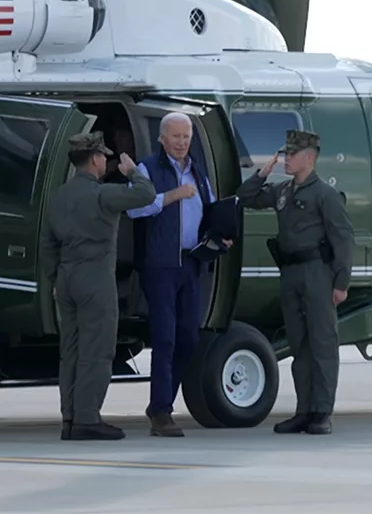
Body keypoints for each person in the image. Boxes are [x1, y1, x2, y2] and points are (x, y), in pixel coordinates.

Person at [39, 131, 156, 441]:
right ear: (94, 159)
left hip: (66, 279)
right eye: (104, 156)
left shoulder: (59, 196)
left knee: (71, 352)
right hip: (95, 278)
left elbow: (47, 244)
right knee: (98, 351)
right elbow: (146, 195)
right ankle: (87, 419)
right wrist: (133, 172)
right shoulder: (103, 195)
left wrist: (54, 279)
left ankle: (70, 419)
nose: (107, 160)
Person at [234, 129, 354, 435]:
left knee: (322, 345)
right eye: (285, 153)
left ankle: (321, 412)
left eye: (292, 154)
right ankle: (303, 411)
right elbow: (245, 197)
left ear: (309, 158)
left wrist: (341, 283)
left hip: (317, 273)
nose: (287, 159)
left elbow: (342, 239)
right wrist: (264, 172)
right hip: (290, 274)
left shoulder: (325, 195)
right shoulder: (283, 191)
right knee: (299, 344)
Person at [126, 112, 233, 437]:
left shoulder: (197, 171)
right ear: (162, 138)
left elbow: (210, 207)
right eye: (176, 137)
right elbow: (133, 207)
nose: (182, 142)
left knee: (189, 337)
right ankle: (162, 411)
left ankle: (161, 403)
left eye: (186, 137)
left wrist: (221, 233)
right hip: (160, 265)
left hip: (191, 263)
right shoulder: (148, 168)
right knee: (165, 338)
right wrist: (171, 196)